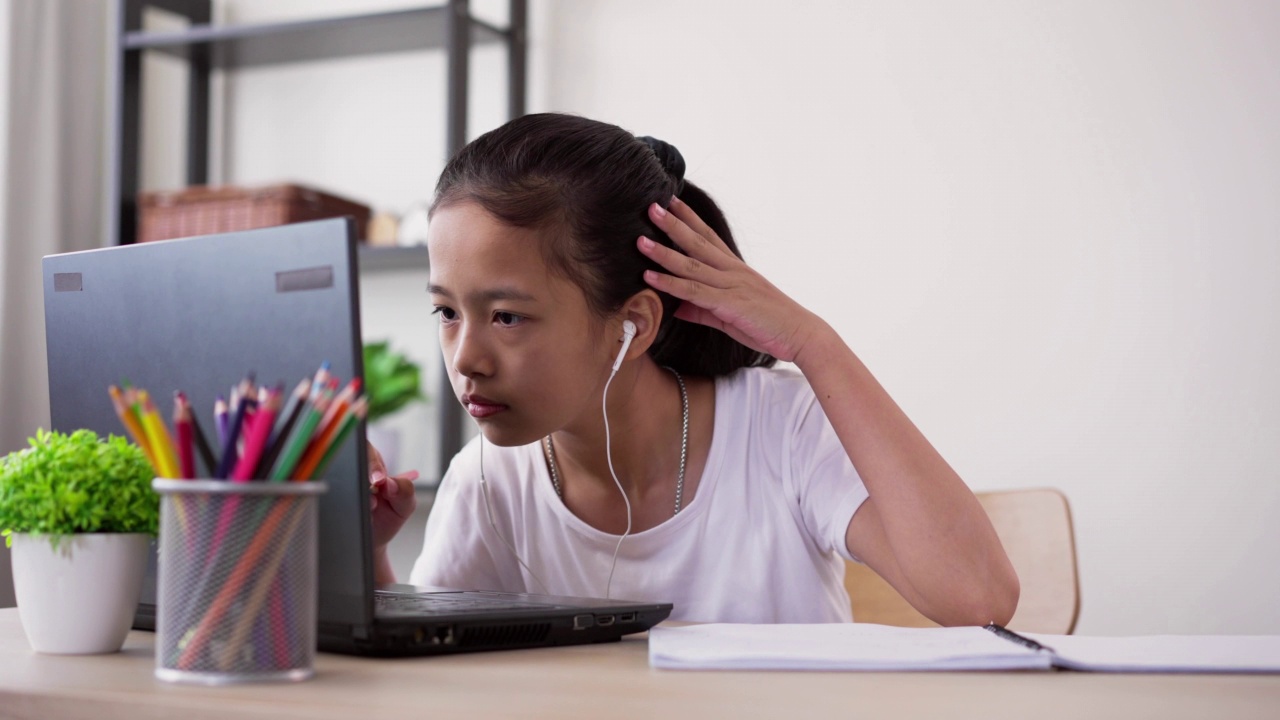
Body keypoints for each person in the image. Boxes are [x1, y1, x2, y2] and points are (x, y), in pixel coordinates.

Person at [367, 113, 1018, 625]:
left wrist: (814, 344)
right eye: (447, 313)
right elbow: (435, 676)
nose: (466, 359)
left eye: (506, 317)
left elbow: (978, 599)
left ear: (636, 323)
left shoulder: (778, 428)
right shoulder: (488, 481)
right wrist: (367, 553)